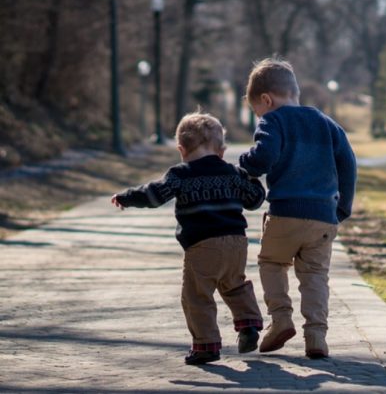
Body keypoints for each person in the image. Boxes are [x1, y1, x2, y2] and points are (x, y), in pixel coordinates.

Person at [111, 112, 266, 365]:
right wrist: (253, 178)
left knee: (197, 295)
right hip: (237, 242)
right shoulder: (232, 172)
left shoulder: (180, 174)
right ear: (222, 151)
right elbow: (255, 200)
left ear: (181, 149)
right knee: (235, 284)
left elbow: (154, 195)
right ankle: (248, 325)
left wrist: (127, 197)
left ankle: (206, 345)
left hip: (202, 244)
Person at [239, 58, 356, 359]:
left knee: (272, 263)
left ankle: (280, 320)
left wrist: (245, 163)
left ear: (266, 100)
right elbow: (348, 163)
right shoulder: (326, 123)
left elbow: (263, 158)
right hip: (323, 217)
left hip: (285, 212)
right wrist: (343, 206)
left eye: (257, 111)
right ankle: (316, 336)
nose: (259, 116)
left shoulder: (273, 121)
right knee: (315, 275)